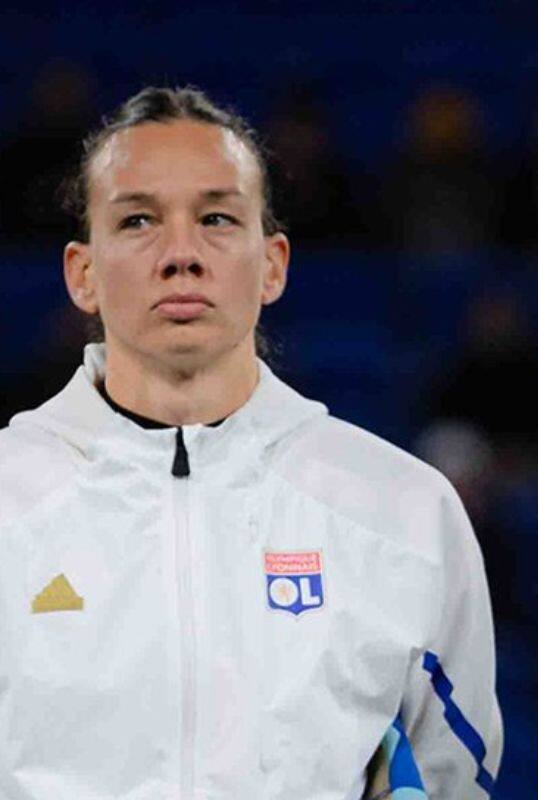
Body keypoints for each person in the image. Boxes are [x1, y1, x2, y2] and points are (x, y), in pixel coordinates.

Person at [0, 87, 502, 799]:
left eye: (216, 218)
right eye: (139, 219)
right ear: (83, 273)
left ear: (273, 265)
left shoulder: (403, 514)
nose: (181, 254)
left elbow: (461, 776)